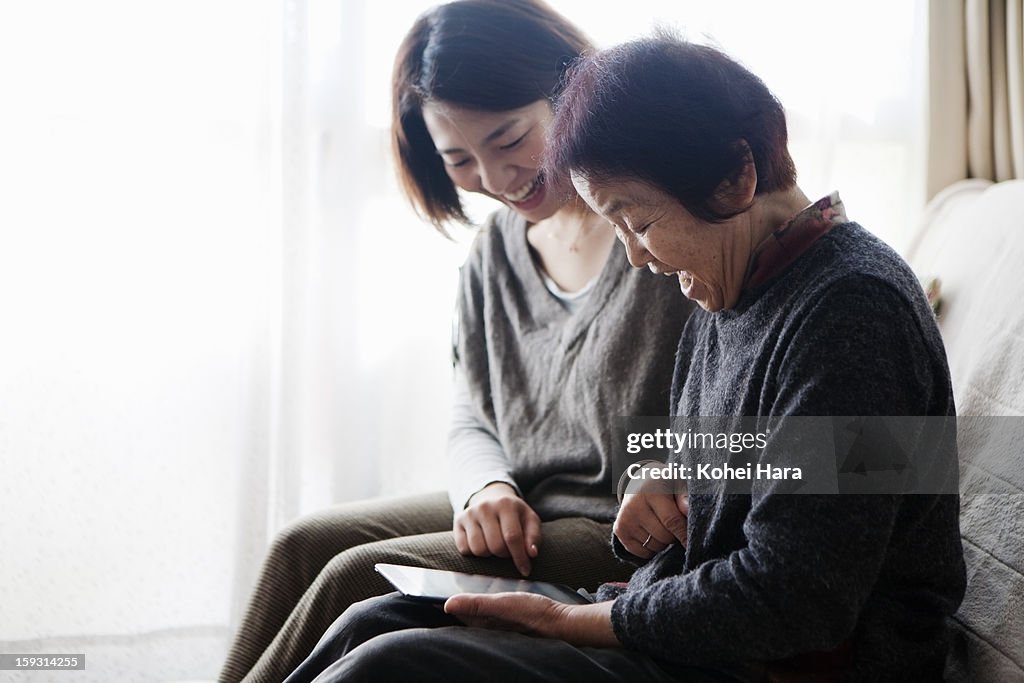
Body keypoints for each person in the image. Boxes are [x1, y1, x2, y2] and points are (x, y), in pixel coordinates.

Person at [283, 31, 967, 683]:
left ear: (735, 177)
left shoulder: (854, 308)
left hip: (783, 664)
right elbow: (780, 471)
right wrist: (674, 482)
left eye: (638, 223)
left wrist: (574, 618)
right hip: (697, 636)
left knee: (391, 667)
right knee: (373, 620)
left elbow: (800, 598)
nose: (636, 256)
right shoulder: (734, 291)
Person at [217, 3, 691, 682]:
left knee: (353, 577)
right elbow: (471, 410)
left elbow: (772, 418)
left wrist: (671, 464)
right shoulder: (493, 254)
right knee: (300, 545)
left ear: (571, 90)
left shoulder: (662, 234)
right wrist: (484, 487)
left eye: (509, 138)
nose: (497, 181)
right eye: (460, 159)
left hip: (613, 526)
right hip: (521, 504)